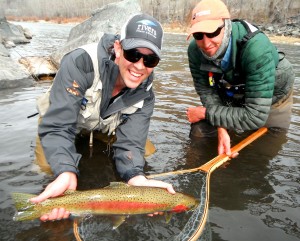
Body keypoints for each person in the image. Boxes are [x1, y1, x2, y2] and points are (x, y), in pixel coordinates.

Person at [31, 13, 175, 221]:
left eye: (150, 59)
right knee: (48, 167)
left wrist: (136, 178)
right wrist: (66, 171)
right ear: (118, 48)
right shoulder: (81, 62)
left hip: (104, 126)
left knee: (145, 153)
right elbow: (58, 127)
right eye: (133, 54)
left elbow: (131, 143)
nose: (140, 65)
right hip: (62, 122)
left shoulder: (147, 92)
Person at [186, 0, 294, 156]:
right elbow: (206, 90)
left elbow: (255, 116)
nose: (206, 42)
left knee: (264, 150)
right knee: (200, 132)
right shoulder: (195, 51)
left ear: (227, 26)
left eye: (212, 32)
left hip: (273, 94)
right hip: (231, 88)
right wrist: (221, 127)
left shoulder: (256, 48)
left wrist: (206, 113)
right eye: (198, 35)